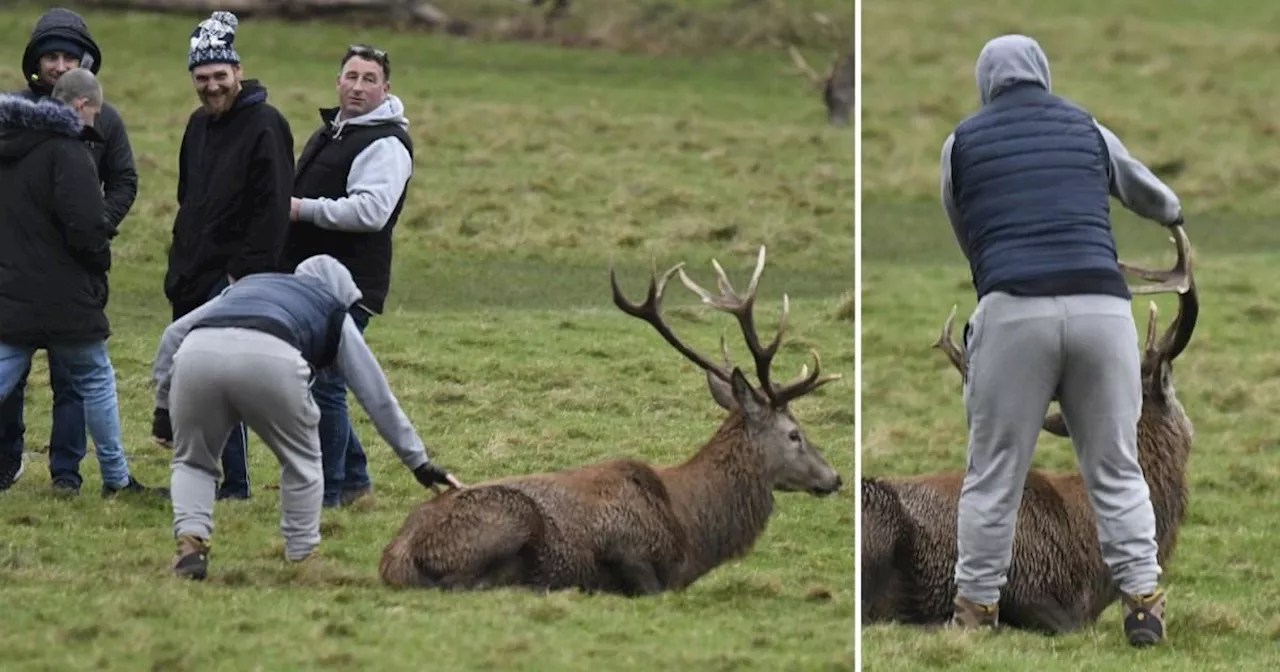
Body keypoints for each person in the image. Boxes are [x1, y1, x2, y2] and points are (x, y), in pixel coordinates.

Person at [938, 34, 1183, 646]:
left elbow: (964, 225)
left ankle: (975, 614)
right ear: (1041, 74)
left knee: (993, 475)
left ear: (986, 82)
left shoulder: (961, 142)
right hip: (1103, 308)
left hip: (1012, 308)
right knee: (1117, 468)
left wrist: (997, 272)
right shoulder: (1088, 128)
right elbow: (1154, 195)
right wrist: (1172, 215)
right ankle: (1144, 604)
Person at [150, 254, 462, 580]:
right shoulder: (332, 310)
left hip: (197, 355)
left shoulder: (247, 286)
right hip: (272, 358)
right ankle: (301, 557)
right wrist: (419, 463)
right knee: (301, 463)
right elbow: (377, 396)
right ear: (340, 292)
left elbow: (174, 333)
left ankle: (191, 547)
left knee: (193, 462)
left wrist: (162, 410)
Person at [0, 69, 164, 498]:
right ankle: (117, 478)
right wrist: (99, 263)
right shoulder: (68, 152)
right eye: (94, 112)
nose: (94, 123)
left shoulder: (8, 147)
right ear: (78, 105)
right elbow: (87, 227)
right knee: (96, 379)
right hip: (66, 298)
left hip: (12, 290)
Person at [158, 10, 295, 502]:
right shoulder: (198, 126)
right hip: (192, 271)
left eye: (220, 76)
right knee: (193, 384)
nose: (212, 86)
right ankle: (203, 479)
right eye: (202, 78)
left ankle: (232, 485)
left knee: (218, 379)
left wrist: (245, 275)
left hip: (234, 278)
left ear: (238, 72)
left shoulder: (266, 125)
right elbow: (187, 198)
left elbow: (273, 208)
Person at [280, 43, 415, 508]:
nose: (358, 87)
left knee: (325, 384)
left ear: (386, 89)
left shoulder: (386, 143)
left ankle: (331, 493)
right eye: (351, 77)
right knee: (320, 380)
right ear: (338, 81)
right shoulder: (335, 131)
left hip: (350, 285)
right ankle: (355, 482)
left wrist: (302, 210)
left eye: (369, 79)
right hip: (313, 281)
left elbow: (372, 211)